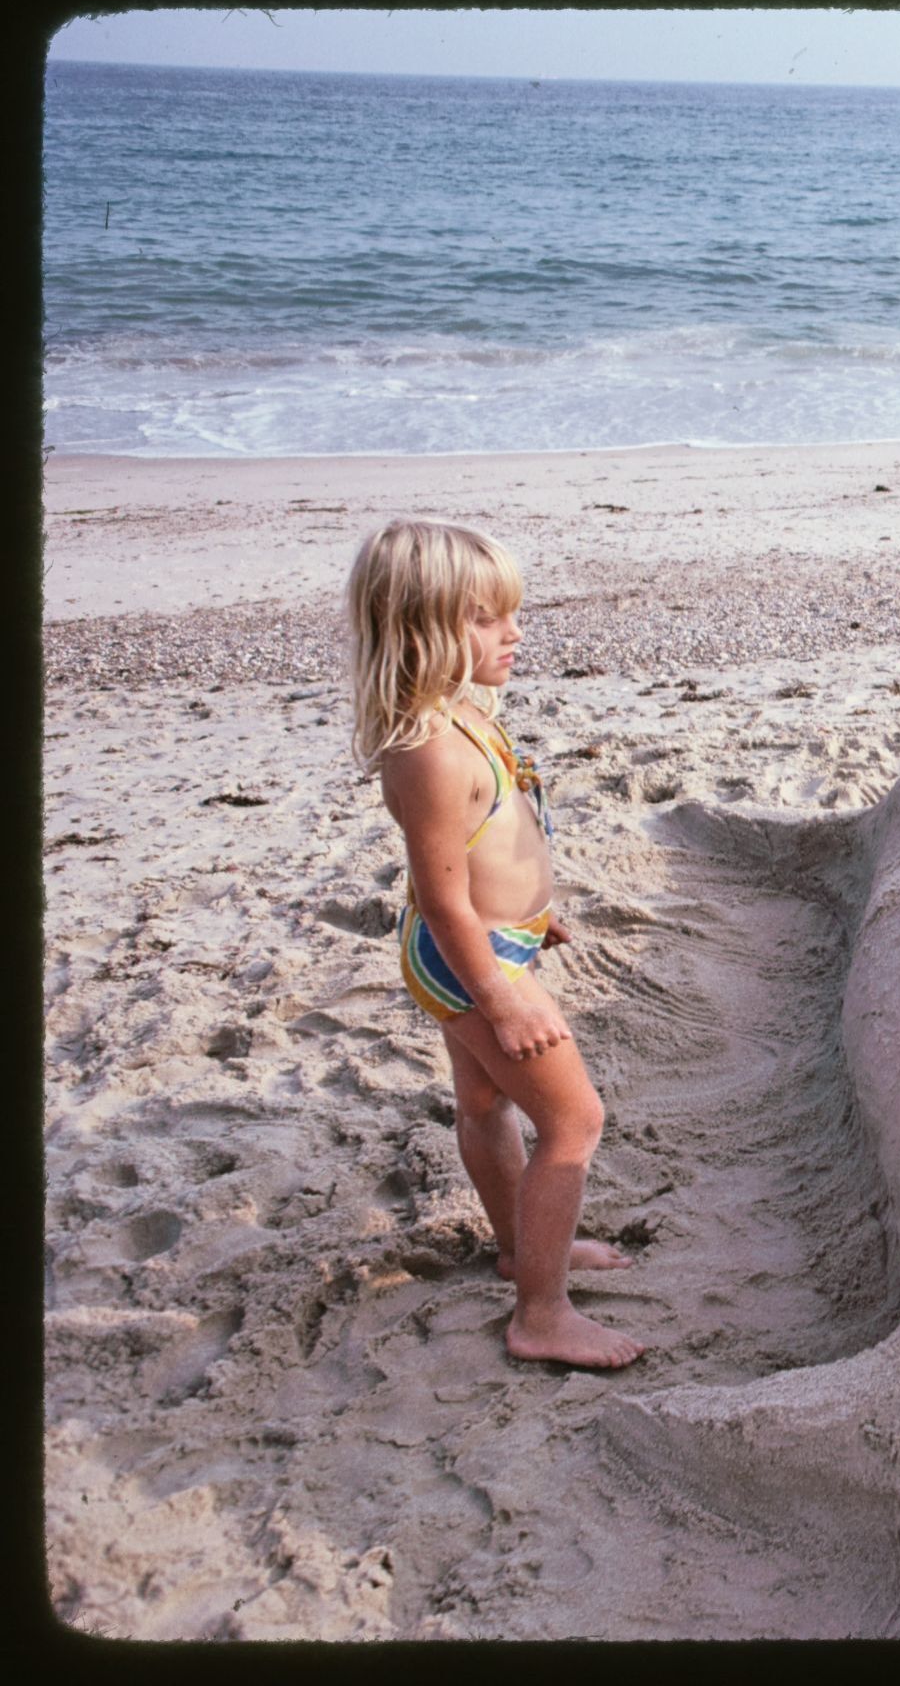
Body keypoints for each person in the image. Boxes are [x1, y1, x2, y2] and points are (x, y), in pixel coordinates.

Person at [347, 519, 643, 1370]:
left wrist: (531, 914)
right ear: (419, 629)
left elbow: (487, 846)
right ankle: (541, 1314)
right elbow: (443, 899)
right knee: (573, 1121)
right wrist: (502, 995)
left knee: (484, 1104)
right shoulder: (430, 754)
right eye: (485, 617)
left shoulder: (464, 712)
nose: (513, 632)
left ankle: (521, 1248)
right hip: (470, 958)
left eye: (512, 611)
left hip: (487, 941)